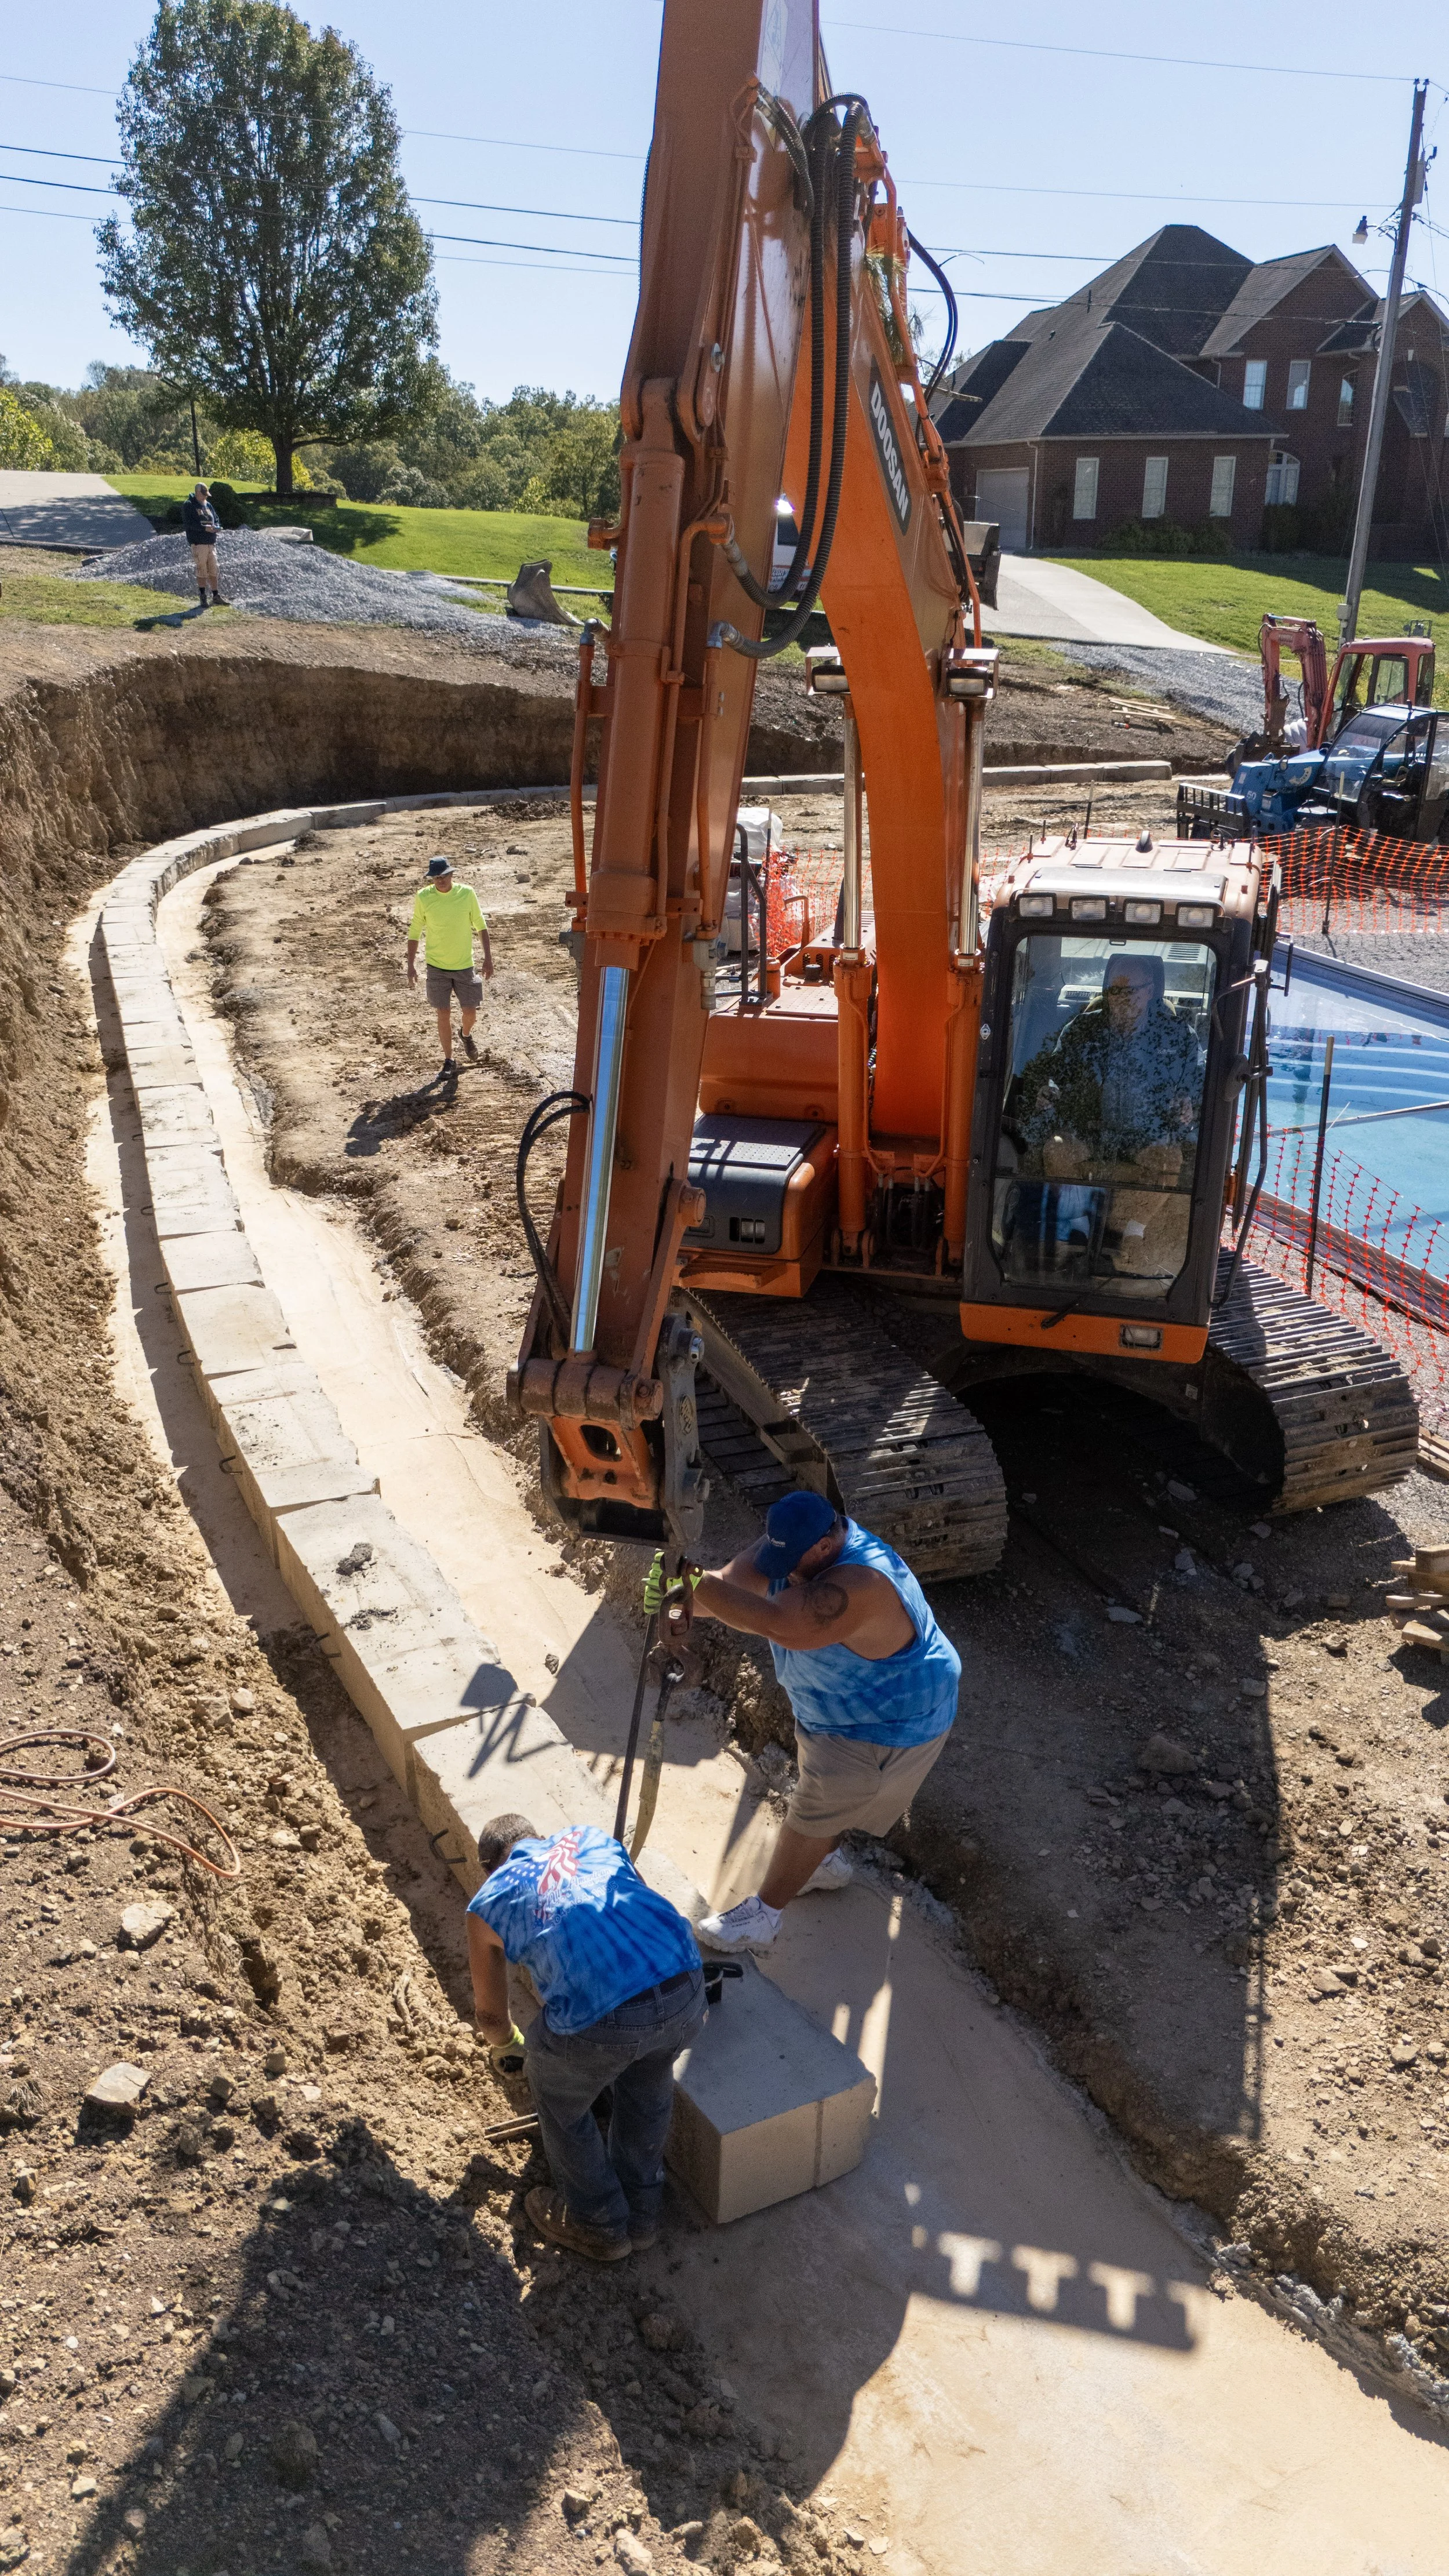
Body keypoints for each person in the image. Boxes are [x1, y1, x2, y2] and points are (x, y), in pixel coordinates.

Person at [654, 1490, 962, 1955]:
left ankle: (763, 1917)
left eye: (795, 1564)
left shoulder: (861, 1583)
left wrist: (683, 1576)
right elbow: (730, 1586)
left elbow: (782, 1624)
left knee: (817, 1807)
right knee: (826, 1803)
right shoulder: (794, 1544)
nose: (787, 1574)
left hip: (889, 1721)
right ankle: (821, 1863)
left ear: (824, 1545)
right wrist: (683, 1600)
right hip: (830, 1707)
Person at [466, 1812, 705, 2263]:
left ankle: (600, 2223)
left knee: (557, 2091)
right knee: (648, 2082)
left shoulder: (490, 1900)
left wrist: (510, 2045)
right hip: (686, 1989)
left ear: (489, 1867)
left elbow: (491, 2017)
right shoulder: (592, 1839)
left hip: (608, 2023)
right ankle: (644, 2216)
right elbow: (637, 1910)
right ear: (537, 1837)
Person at [1019, 952, 1200, 1184]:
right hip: (1087, 1130)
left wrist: (1187, 1102)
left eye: (1129, 992)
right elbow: (1054, 1074)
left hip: (1149, 1134)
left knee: (1168, 1161)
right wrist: (1049, 1089)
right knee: (1057, 1150)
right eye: (1114, 991)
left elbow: (1196, 1085)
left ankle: (1129, 1223)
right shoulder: (1081, 1029)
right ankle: (1076, 1218)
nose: (1121, 998)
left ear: (1150, 991)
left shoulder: (1179, 1036)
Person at [405, 853, 494, 1080]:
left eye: (444, 876)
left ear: (451, 874)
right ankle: (449, 1060)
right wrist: (411, 965)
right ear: (431, 879)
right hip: (437, 966)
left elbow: (481, 926)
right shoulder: (424, 897)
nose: (440, 880)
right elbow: (415, 931)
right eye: (435, 877)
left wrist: (488, 958)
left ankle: (465, 1035)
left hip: (465, 965)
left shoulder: (467, 894)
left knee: (470, 1013)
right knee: (443, 1013)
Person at [181, 481, 227, 610]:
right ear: (197, 493)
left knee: (214, 569)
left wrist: (216, 527)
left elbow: (216, 518)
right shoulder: (189, 505)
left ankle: (216, 595)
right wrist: (204, 529)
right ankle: (202, 596)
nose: (205, 497)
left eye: (206, 495)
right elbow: (189, 524)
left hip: (211, 543)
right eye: (203, 494)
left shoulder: (208, 505)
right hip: (199, 543)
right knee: (202, 569)